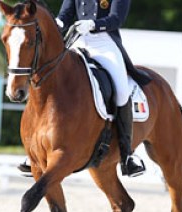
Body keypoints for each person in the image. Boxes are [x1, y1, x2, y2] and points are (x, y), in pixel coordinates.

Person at [56, 0, 146, 177]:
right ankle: (36, 146)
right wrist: (56, 23)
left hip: (104, 43)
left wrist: (93, 24)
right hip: (77, 40)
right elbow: (65, 14)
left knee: (121, 92)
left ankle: (127, 155)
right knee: (52, 76)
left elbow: (116, 19)